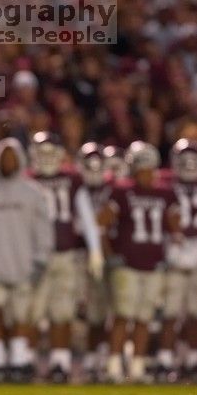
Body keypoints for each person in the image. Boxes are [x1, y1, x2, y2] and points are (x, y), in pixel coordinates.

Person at [98, 141, 181, 383]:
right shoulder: (122, 191)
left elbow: (175, 227)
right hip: (127, 264)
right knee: (123, 315)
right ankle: (114, 366)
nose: (147, 173)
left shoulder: (165, 192)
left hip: (153, 264)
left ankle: (137, 367)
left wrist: (172, 251)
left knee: (144, 318)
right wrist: (109, 255)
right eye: (143, 168)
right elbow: (102, 223)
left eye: (150, 168)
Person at [29, 131, 103, 383]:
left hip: (66, 254)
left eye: (52, 152)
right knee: (33, 311)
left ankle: (59, 362)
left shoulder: (72, 180)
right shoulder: (27, 179)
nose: (47, 158)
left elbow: (86, 217)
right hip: (35, 256)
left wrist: (95, 250)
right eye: (42, 153)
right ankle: (28, 362)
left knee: (62, 312)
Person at [0, 138, 53, 382]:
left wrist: (41, 259)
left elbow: (43, 229)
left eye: (12, 157)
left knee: (23, 316)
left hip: (24, 264)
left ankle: (20, 360)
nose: (8, 162)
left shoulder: (32, 192)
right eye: (4, 157)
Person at [159, 138, 197, 380]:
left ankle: (192, 358)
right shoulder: (164, 184)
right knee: (170, 311)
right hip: (174, 249)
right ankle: (164, 358)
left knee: (195, 312)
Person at [76, 142, 112, 381]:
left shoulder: (112, 189)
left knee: (104, 310)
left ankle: (100, 356)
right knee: (82, 309)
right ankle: (84, 358)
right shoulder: (75, 187)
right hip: (79, 252)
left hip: (109, 253)